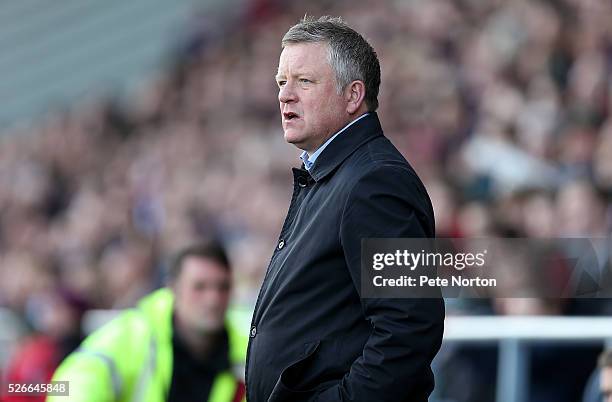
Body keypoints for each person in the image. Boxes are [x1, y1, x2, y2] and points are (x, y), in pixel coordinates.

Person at [246, 16, 444, 402]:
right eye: (281, 82)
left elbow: (409, 327)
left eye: (304, 81)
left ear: (353, 96)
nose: (285, 95)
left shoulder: (376, 182)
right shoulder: (332, 175)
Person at [47, 241, 250, 402]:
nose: (213, 299)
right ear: (173, 289)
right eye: (200, 287)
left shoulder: (246, 354)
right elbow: (78, 379)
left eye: (223, 287)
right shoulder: (133, 334)